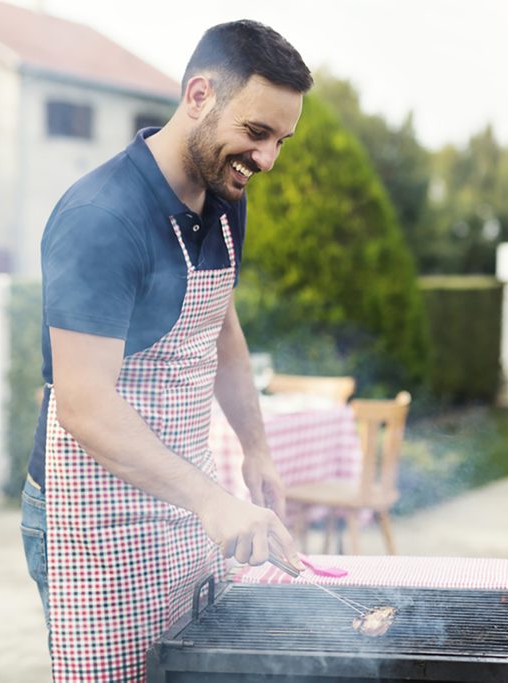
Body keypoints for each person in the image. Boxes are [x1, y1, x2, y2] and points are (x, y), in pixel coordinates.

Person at [19, 20, 313, 681]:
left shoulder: (225, 192)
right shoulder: (102, 217)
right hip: (94, 514)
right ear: (200, 95)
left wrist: (256, 449)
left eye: (281, 141)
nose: (267, 159)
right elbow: (85, 405)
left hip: (184, 502)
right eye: (258, 133)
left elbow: (222, 329)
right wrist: (212, 501)